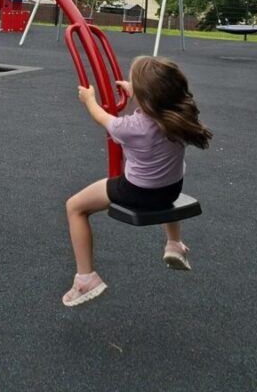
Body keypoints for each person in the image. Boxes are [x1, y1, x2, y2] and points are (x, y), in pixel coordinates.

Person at [62, 56, 213, 307]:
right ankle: (174, 243)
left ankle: (86, 278)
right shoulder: (182, 118)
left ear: (145, 97)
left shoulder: (130, 127)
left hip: (137, 192)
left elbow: (100, 116)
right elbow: (158, 101)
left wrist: (89, 99)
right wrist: (138, 91)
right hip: (170, 189)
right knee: (169, 181)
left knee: (75, 206)